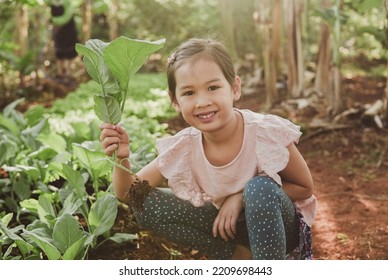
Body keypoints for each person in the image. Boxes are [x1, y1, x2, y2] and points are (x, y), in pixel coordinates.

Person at [99, 38, 317, 260]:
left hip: (279, 228)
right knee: (146, 203)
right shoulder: (184, 147)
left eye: (213, 88)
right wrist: (122, 157)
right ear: (175, 101)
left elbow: (304, 187)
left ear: (234, 88)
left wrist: (240, 197)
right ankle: (237, 255)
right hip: (229, 230)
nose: (202, 101)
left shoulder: (264, 132)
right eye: (189, 93)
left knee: (259, 188)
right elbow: (130, 194)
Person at [49, 0, 79, 79]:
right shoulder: (52, 3)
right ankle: (60, 73)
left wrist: (54, 21)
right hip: (58, 32)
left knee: (69, 51)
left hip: (69, 31)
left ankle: (69, 73)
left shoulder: (67, 3)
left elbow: (67, 17)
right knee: (59, 51)